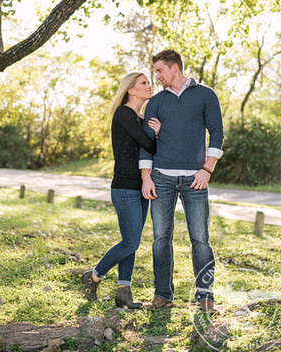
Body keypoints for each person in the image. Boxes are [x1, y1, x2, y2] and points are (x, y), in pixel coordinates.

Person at [139, 49, 224, 312]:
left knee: (200, 238)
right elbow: (146, 143)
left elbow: (217, 132)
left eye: (160, 71)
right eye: (155, 72)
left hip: (195, 179)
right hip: (161, 177)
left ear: (175, 67)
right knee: (160, 239)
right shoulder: (156, 102)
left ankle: (205, 296)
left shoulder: (205, 95)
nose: (157, 76)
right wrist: (146, 177)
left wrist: (207, 169)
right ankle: (162, 294)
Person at [81, 73, 160, 308]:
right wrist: (155, 133)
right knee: (130, 243)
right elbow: (148, 145)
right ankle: (94, 275)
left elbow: (150, 148)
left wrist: (154, 133)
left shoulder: (142, 117)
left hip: (141, 187)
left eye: (149, 82)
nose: (149, 86)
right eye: (144, 83)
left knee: (131, 241)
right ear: (131, 90)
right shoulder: (124, 113)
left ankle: (123, 293)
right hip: (125, 187)